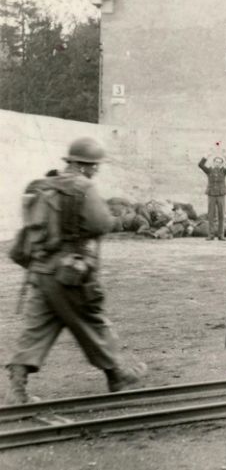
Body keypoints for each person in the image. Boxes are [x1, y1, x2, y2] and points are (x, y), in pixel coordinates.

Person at [6, 137, 144, 404]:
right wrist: (115, 218)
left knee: (37, 328)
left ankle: (17, 389)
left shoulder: (45, 185)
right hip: (70, 273)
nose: (96, 171)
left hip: (39, 272)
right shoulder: (83, 188)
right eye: (95, 166)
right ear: (86, 166)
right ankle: (117, 375)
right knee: (92, 320)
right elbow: (100, 224)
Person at [199, 151, 226, 241]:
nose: (217, 164)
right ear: (213, 163)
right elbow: (200, 165)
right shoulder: (209, 170)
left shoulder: (224, 171)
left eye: (220, 162)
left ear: (221, 164)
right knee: (211, 215)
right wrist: (206, 156)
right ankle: (211, 235)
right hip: (211, 194)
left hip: (221, 194)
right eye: (216, 162)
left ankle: (221, 235)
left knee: (221, 215)